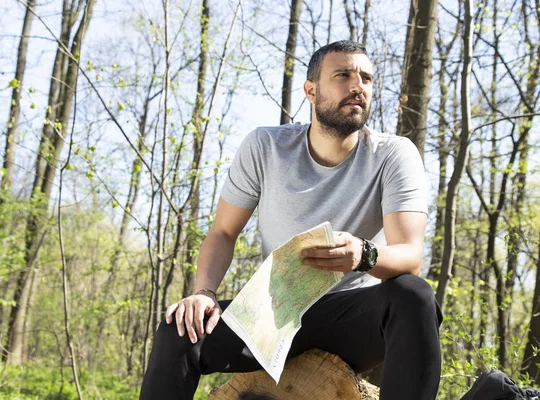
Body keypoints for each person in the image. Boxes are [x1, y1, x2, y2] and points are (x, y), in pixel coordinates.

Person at [139, 40, 442, 400]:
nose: (358, 86)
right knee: (179, 327)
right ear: (311, 91)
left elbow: (410, 254)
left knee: (414, 296)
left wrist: (364, 254)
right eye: (343, 75)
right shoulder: (265, 147)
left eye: (366, 78)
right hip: (270, 314)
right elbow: (223, 231)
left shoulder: (393, 155)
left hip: (350, 319)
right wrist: (204, 293)